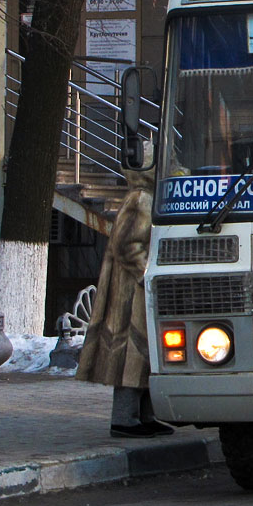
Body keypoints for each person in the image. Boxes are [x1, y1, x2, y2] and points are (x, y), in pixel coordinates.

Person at [76, 143, 173, 438]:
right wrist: (148, 274)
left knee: (145, 354)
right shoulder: (141, 199)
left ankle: (143, 416)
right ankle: (123, 419)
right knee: (130, 353)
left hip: (138, 290)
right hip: (131, 293)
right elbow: (126, 246)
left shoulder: (149, 197)